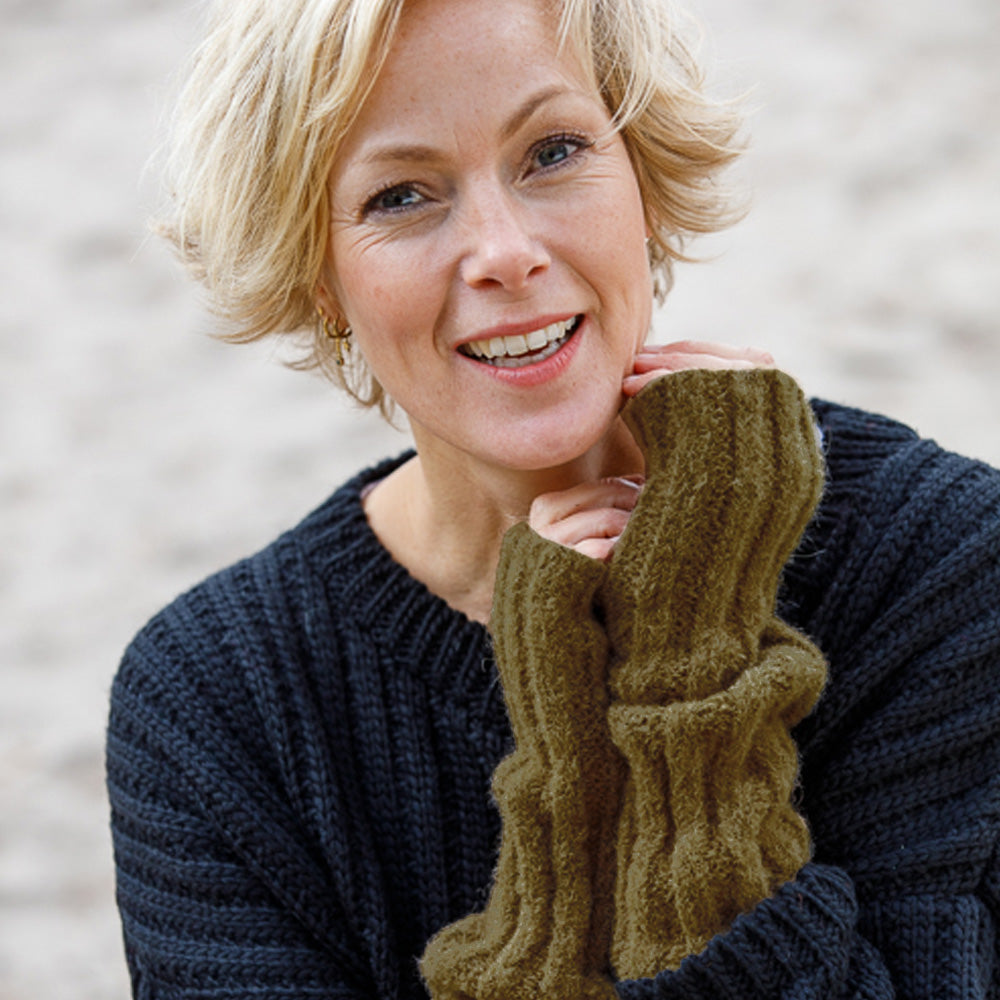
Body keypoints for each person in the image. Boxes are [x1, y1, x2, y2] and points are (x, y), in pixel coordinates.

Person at [106, 0, 1000, 996]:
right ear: (320, 277)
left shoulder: (942, 562)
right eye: (400, 196)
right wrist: (568, 787)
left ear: (644, 175)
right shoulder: (215, 703)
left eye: (553, 151)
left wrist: (690, 669)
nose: (504, 252)